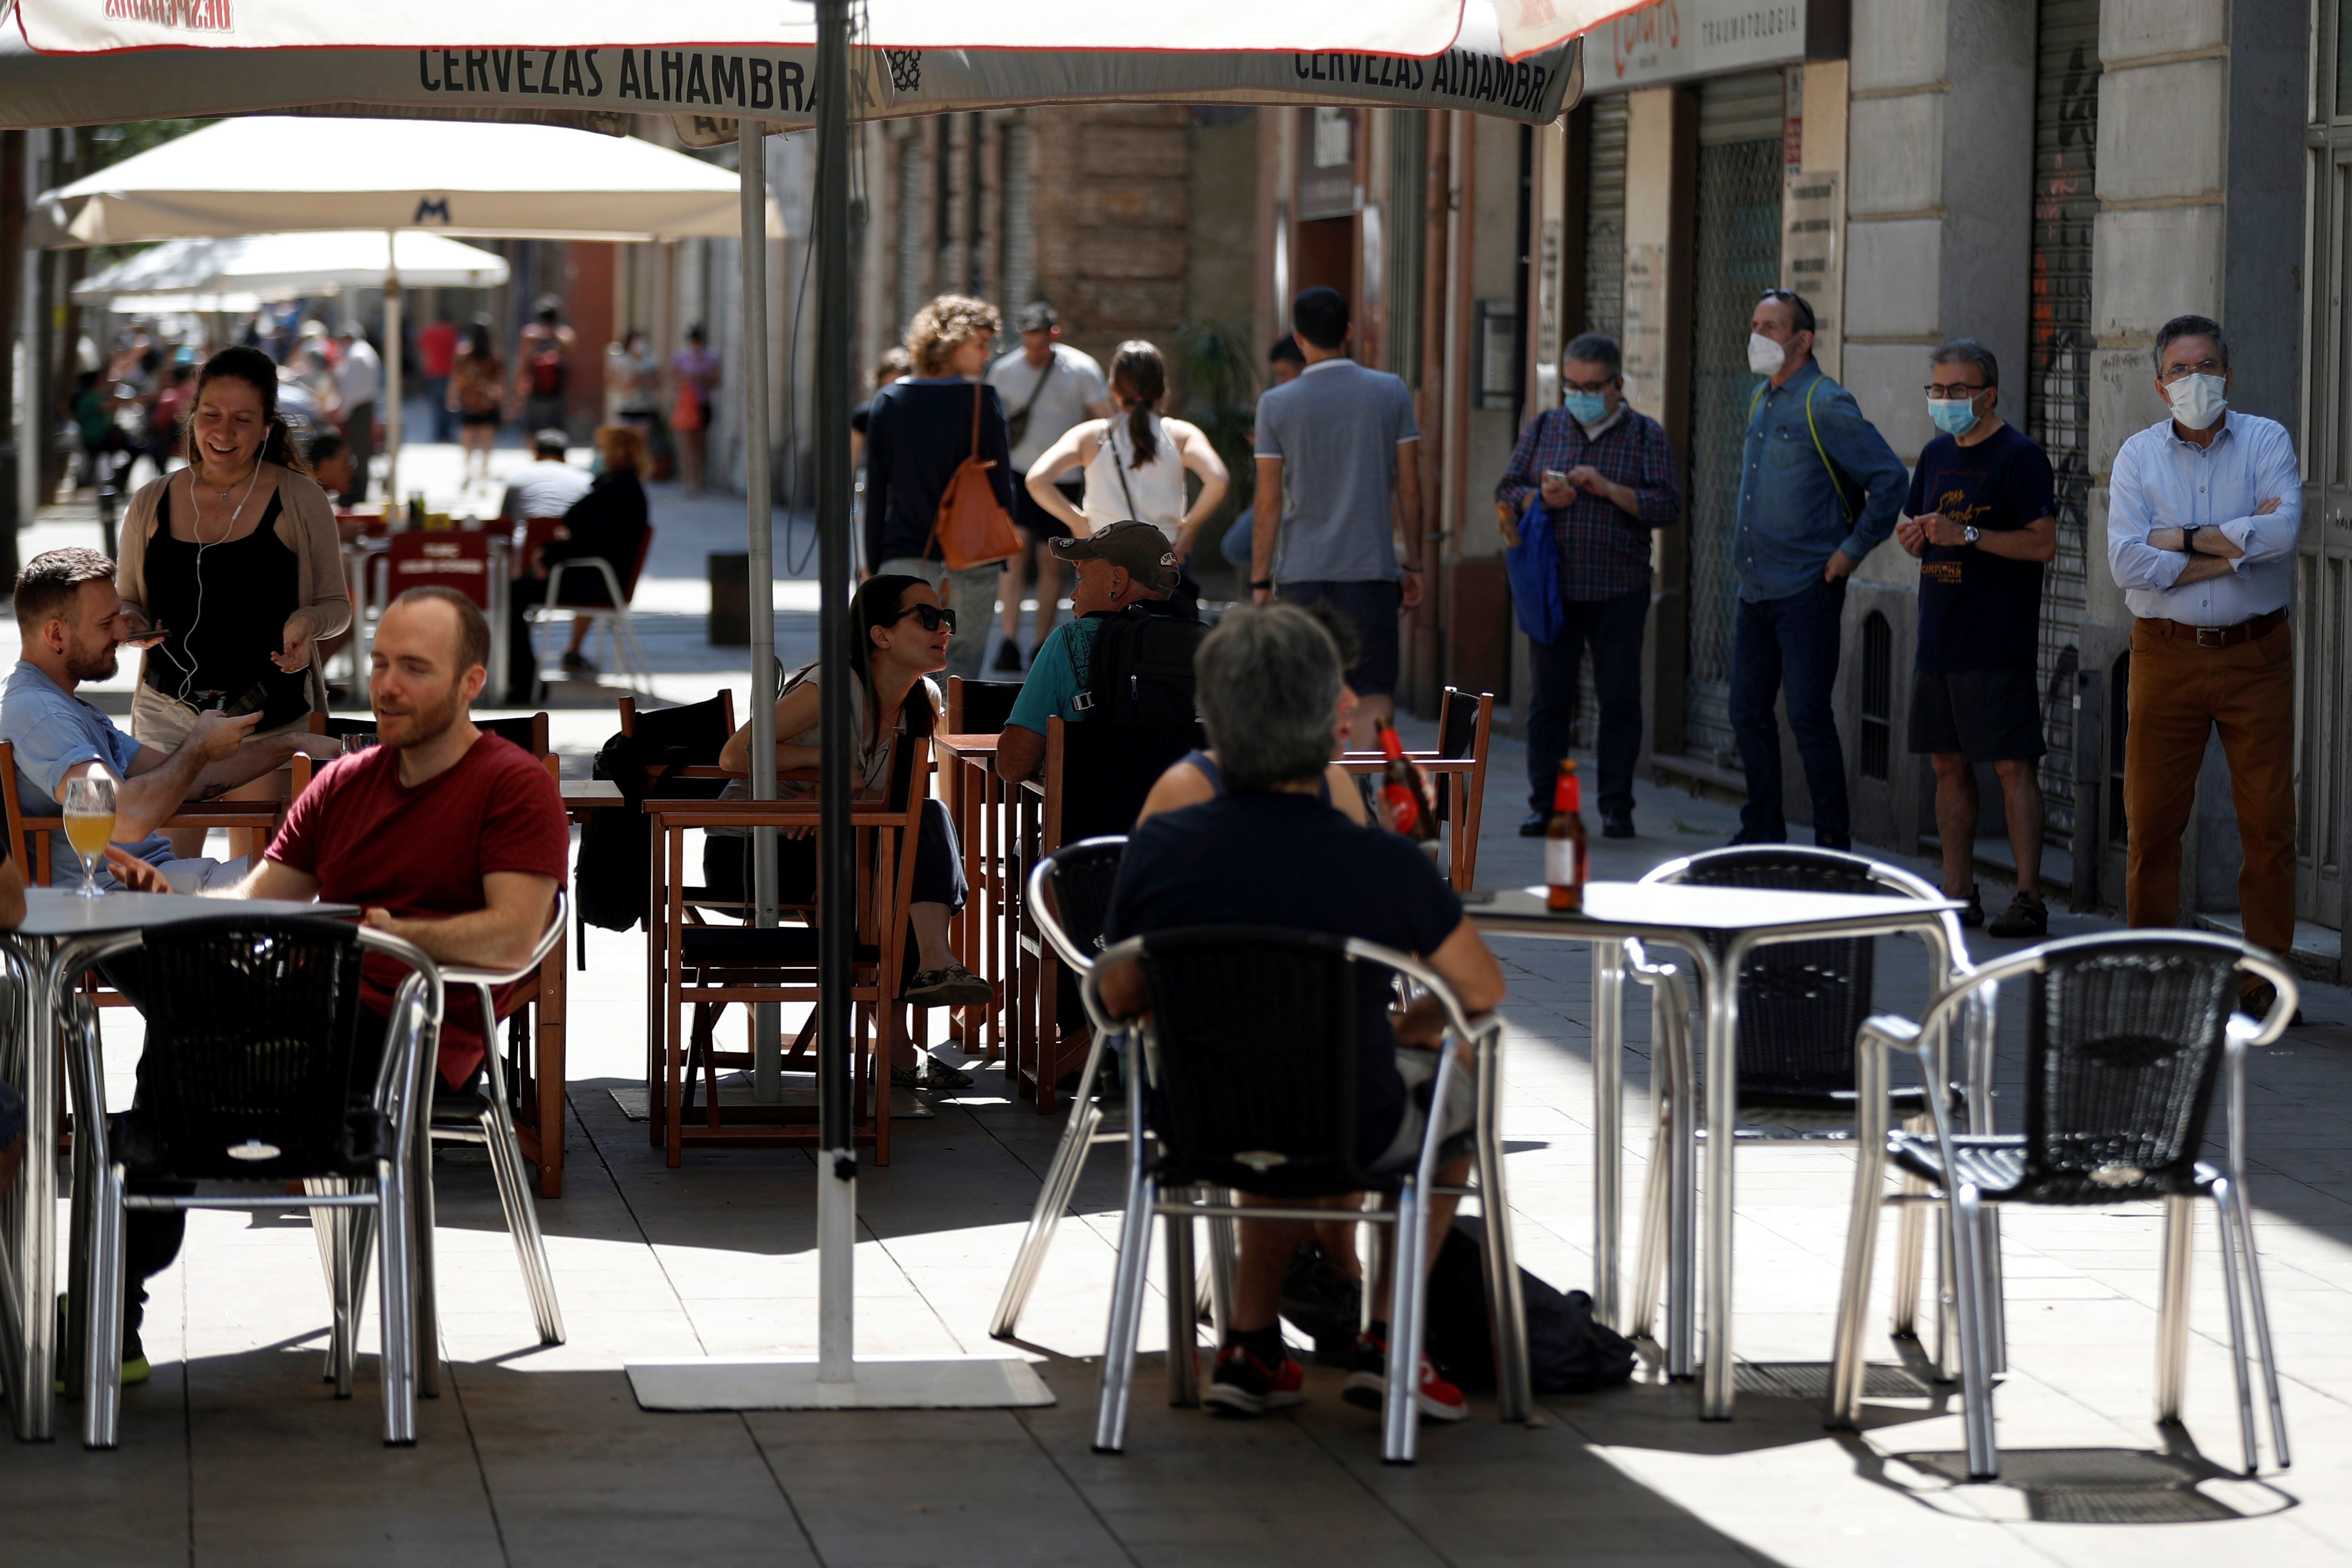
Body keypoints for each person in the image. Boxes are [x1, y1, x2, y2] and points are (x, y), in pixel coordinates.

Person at [103, 586, 569, 1380]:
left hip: (412, 1033)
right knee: (134, 947)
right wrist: (173, 902)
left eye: (414, 668)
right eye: (381, 663)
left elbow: (516, 933)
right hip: (305, 1011)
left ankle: (111, 1313)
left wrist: (391, 936)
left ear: (470, 683)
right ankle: (115, 1302)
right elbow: (257, 907)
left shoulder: (513, 785)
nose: (386, 684)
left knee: (170, 1067)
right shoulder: (342, 784)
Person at [1099, 603, 1507, 1421]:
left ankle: (1250, 1343)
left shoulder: (1164, 844)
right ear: (1333, 716)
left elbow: (1116, 995)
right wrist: (1413, 1030)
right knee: (1464, 1068)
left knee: (1263, 1080)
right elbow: (1481, 991)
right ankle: (1390, 1339)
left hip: (1198, 1123)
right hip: (1354, 1116)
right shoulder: (1379, 858)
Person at [712, 574, 993, 1086]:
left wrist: (844, 801)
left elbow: (891, 799)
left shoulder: (922, 702)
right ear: (880, 635)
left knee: (911, 849)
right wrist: (829, 766)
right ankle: (912, 1016)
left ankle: (908, 1025)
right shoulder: (835, 685)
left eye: (946, 619)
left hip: (841, 847)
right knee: (899, 865)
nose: (944, 629)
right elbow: (736, 755)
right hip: (755, 850)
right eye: (927, 618)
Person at [2106, 315, 2301, 1015]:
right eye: (2182, 370)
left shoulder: (2266, 440)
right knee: (2153, 824)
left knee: (2269, 825)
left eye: (2209, 365)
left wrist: (2177, 544)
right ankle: (2152, 978)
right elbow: (2125, 560)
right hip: (2165, 655)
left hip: (2256, 653)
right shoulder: (2136, 457)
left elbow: (2284, 533)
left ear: (2230, 374)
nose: (2197, 380)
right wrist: (2229, 548)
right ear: (2161, 386)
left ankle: (2264, 983)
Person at [116, 346, 352, 859]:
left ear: (267, 426)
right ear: (192, 416)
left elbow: (339, 608)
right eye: (212, 416)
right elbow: (128, 600)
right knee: (167, 875)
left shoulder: (301, 498)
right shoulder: (151, 501)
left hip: (269, 720)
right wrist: (132, 623)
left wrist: (308, 621)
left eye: (243, 420)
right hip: (169, 716)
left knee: (259, 880)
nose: (223, 433)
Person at [5, 548, 336, 891]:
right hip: (123, 900)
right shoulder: (40, 714)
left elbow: (192, 777)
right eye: (106, 623)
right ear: (56, 635)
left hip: (161, 883)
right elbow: (123, 819)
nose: (122, 634)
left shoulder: (63, 705)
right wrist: (197, 747)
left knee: (332, 855)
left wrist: (293, 744)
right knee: (332, 861)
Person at [1728, 289, 1907, 850]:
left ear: (1802, 340)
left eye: (1772, 327)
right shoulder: (1762, 398)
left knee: (1807, 716)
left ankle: (1833, 839)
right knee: (1746, 712)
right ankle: (1762, 828)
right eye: (1755, 324)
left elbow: (1889, 480)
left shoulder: (1825, 403)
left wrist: (1851, 550)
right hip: (1754, 586)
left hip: (1808, 586)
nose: (1759, 336)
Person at [1893, 340, 2058, 937]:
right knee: (1947, 764)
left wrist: (1966, 534)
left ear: (1988, 394)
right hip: (1940, 633)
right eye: (1937, 389)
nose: (1946, 400)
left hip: (1996, 637)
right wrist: (1913, 538)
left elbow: (2042, 543)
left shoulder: (2019, 457)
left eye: (1958, 390)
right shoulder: (1936, 454)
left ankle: (2028, 896)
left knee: (2013, 768)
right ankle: (1957, 893)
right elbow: (1915, 526)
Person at [1495, 331, 1681, 841]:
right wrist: (1539, 497)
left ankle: (1617, 808)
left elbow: (1667, 506)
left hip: (1619, 589)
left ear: (1618, 385)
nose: (1580, 396)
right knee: (1549, 701)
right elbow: (1506, 491)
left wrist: (1609, 489)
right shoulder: (1546, 427)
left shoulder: (1646, 436)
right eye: (1572, 386)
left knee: (1618, 698)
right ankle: (1546, 806)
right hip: (1554, 588)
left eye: (1592, 386)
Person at [1251, 286, 1424, 747]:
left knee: (1304, 688)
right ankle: (1357, 783)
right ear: (1350, 333)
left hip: (1302, 574)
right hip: (1370, 572)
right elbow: (1409, 486)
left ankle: (1317, 786)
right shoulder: (1389, 392)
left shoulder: (1276, 404)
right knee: (1373, 689)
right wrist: (1414, 564)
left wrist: (1259, 581)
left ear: (1298, 337)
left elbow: (1268, 502)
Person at [863, 294, 1018, 686]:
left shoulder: (890, 400)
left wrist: (872, 562)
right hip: (974, 555)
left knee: (899, 674)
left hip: (902, 555)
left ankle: (905, 747)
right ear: (951, 341)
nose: (987, 355)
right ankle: (949, 747)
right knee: (960, 678)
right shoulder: (983, 400)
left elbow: (877, 490)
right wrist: (1002, 550)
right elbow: (1002, 487)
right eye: (981, 344)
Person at [995, 521, 1198, 784]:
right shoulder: (1211, 647)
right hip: (1186, 821)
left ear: (1117, 582)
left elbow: (1013, 765)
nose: (1073, 595)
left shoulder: (1070, 640)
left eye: (1081, 580)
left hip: (1093, 821)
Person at [983, 302, 1112, 672]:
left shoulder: (1081, 368)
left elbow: (1104, 419)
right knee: (1015, 557)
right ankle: (1009, 640)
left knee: (1051, 561)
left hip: (1064, 478)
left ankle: (1041, 641)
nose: (1034, 352)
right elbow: (990, 423)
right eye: (1028, 343)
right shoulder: (1005, 372)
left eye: (1040, 343)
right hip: (1019, 474)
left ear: (1054, 335)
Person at [1023, 339, 1231, 560]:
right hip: (1165, 552)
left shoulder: (1090, 436)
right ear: (1162, 389)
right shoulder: (1182, 435)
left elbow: (1037, 480)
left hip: (1103, 551)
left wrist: (1078, 523)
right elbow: (1218, 481)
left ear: (1113, 388)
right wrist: (1189, 529)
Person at [512, 424, 651, 694]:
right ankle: (518, 673)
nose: (596, 455)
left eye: (602, 449)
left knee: (512, 595)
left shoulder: (622, 491)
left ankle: (521, 678)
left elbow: (603, 545)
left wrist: (550, 553)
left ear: (617, 453)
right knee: (514, 591)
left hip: (595, 579)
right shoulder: (615, 485)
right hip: (588, 573)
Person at [1217, 335, 1310, 574]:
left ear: (1304, 366)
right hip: (1278, 494)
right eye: (1277, 375)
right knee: (1236, 546)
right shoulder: (1279, 402)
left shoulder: (1300, 404)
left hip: (1295, 499)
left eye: (1284, 373)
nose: (1280, 381)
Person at [331, 324, 381, 507]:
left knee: (359, 453)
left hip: (359, 409)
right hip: (361, 407)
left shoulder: (357, 356)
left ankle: (358, 493)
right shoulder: (362, 353)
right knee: (360, 453)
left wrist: (342, 412)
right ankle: (357, 492)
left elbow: (351, 389)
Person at [670, 324, 723, 496]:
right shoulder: (681, 357)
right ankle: (689, 481)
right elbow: (673, 379)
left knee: (701, 445)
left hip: (703, 404)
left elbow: (716, 381)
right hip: (686, 405)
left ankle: (698, 480)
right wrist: (687, 380)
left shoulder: (711, 358)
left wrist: (701, 379)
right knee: (687, 445)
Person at [498, 428, 593, 523]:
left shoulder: (515, 476)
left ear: (536, 455)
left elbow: (505, 521)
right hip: (570, 535)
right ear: (564, 457)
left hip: (530, 536)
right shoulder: (586, 480)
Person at [450, 321, 505, 486]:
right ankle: (483, 475)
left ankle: (469, 472)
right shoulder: (495, 355)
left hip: (470, 400)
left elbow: (457, 378)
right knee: (486, 441)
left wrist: (453, 397)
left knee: (467, 438)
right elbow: (501, 381)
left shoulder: (464, 354)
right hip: (488, 401)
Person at [514, 295, 576, 439]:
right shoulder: (565, 336)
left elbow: (523, 363)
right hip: (557, 389)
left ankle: (534, 455)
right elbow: (571, 363)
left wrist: (517, 389)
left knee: (533, 425)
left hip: (535, 388)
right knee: (556, 425)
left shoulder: (530, 335)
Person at [418, 313, 460, 443]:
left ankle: (438, 431)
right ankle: (445, 432)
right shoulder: (451, 333)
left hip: (433, 371)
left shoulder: (429, 332)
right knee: (448, 403)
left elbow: (421, 349)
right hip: (448, 372)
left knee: (437, 404)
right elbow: (457, 353)